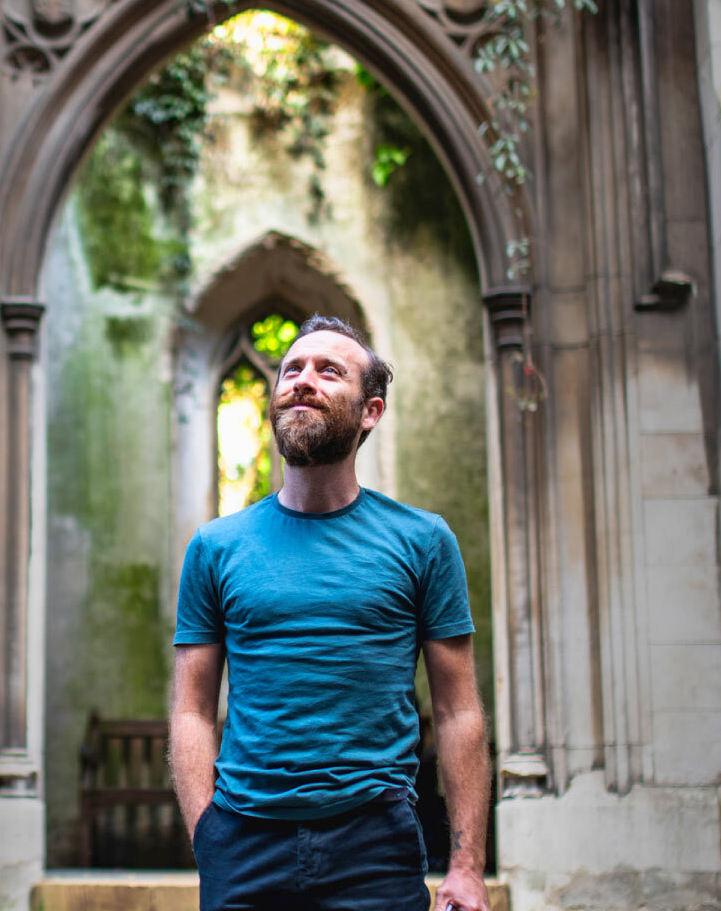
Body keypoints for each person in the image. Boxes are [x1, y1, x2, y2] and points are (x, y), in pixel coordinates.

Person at [169, 315, 489, 911]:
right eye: (291, 369)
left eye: (328, 371)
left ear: (371, 410)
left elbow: (458, 709)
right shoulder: (215, 547)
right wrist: (206, 836)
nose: (302, 380)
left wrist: (467, 865)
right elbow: (192, 708)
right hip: (243, 842)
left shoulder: (423, 541)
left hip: (375, 843)